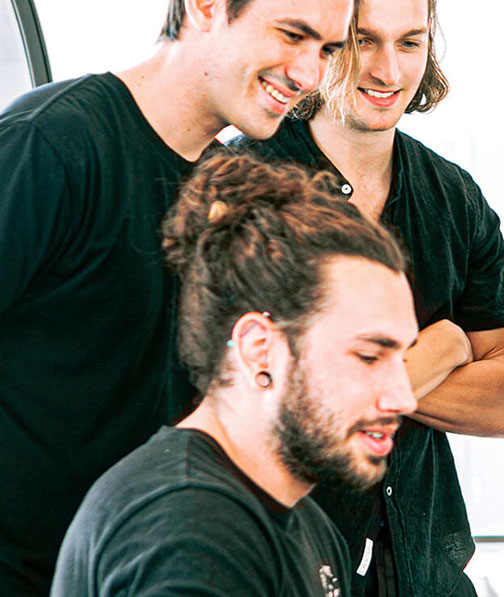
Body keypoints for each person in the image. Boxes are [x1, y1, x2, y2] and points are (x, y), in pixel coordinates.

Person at [0, 1, 352, 593]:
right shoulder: (51, 143)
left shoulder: (237, 195)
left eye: (326, 50)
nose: (309, 74)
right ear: (205, 6)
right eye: (293, 35)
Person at [235, 0, 504, 593]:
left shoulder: (454, 197)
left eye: (410, 42)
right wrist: (442, 348)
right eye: (363, 40)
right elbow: (246, 392)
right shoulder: (242, 181)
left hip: (427, 574)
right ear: (321, 40)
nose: (389, 72)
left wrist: (347, 381)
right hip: (286, 570)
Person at [51, 153, 418, 596]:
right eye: (369, 356)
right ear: (259, 349)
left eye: (402, 358)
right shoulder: (189, 533)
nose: (404, 398)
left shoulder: (305, 525)